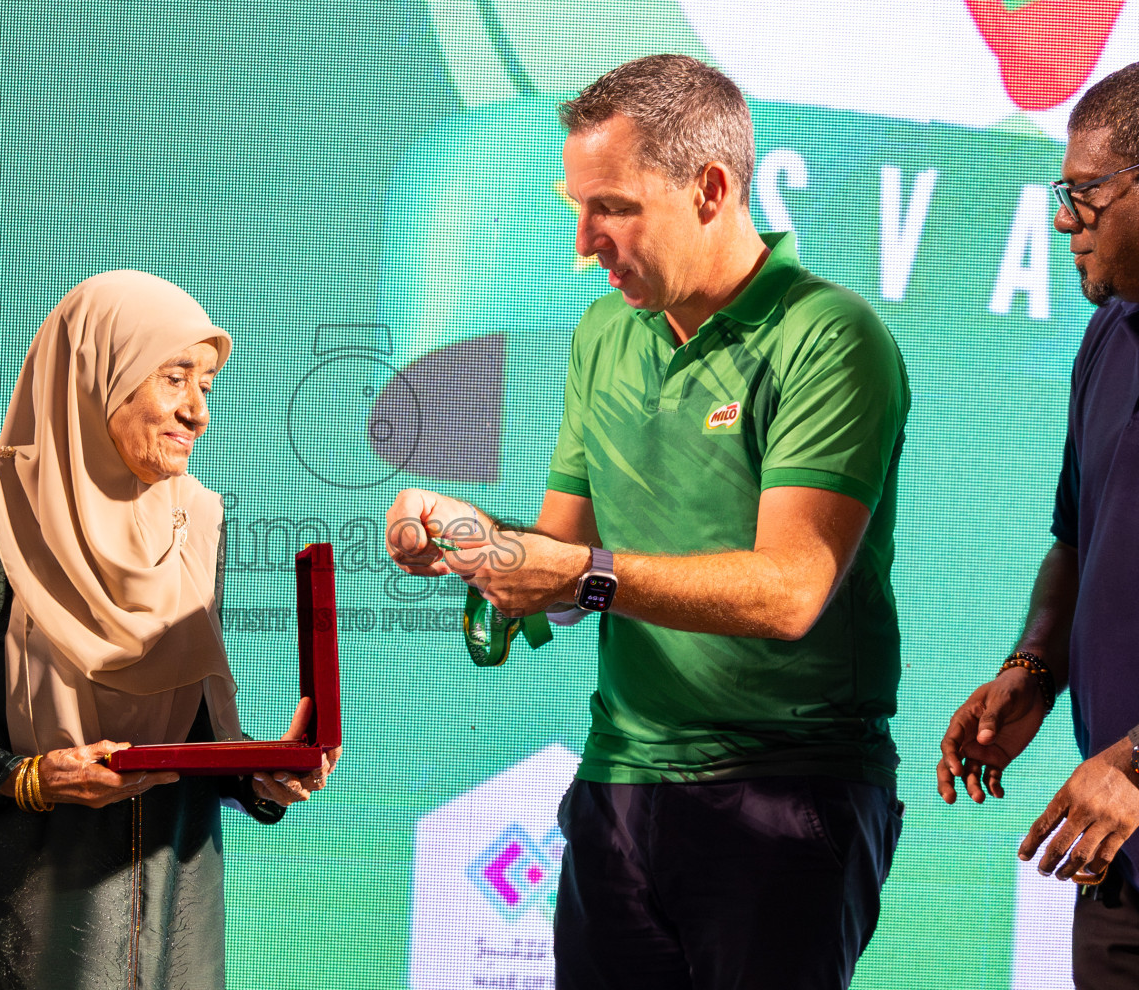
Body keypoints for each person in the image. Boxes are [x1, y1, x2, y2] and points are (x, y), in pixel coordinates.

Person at [384, 54, 910, 989]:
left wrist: (577, 574)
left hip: (787, 791)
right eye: (575, 206)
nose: (584, 242)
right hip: (619, 785)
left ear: (710, 188)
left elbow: (791, 591)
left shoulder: (830, 335)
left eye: (613, 208)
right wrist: (470, 541)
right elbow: (556, 566)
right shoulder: (603, 334)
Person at [0, 271, 337, 990]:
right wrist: (26, 778)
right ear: (101, 375)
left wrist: (265, 775)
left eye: (208, 386)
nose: (199, 413)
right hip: (8, 921)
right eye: (175, 379)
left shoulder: (196, 520)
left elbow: (186, 738)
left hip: (173, 914)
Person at [937, 62, 1139, 986]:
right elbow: (1077, 539)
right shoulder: (1107, 336)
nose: (1063, 220)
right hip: (1120, 866)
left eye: (1086, 194)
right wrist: (1033, 668)